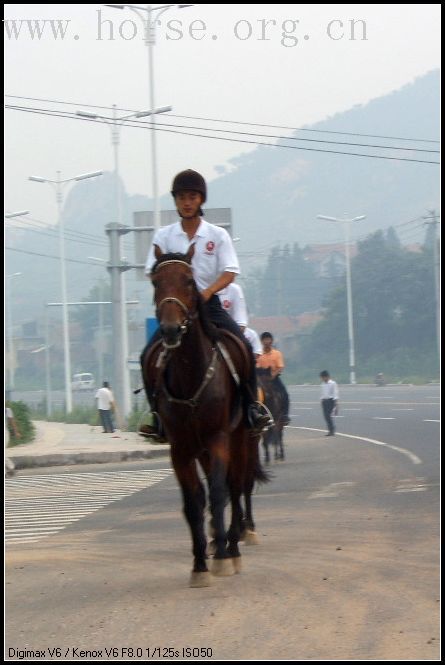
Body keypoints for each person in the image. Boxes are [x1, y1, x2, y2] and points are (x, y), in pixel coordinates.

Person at [141, 168, 273, 439]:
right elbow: (151, 271)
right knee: (147, 356)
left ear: (201, 200)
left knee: (243, 349)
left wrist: (208, 291)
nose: (186, 202)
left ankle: (252, 408)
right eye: (181, 197)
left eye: (191, 196)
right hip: (177, 308)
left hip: (209, 305)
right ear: (175, 202)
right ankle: (157, 416)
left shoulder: (217, 235)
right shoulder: (163, 236)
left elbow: (230, 271)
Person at [256, 332, 291, 426]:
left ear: (271, 341)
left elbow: (280, 367)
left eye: (268, 339)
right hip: (261, 379)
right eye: (264, 340)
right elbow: (257, 367)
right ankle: (256, 414)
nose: (267, 341)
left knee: (285, 393)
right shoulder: (259, 354)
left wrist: (272, 375)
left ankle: (285, 415)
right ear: (261, 341)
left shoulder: (277, 353)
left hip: (274, 378)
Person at [319, 370, 339, 436]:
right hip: (324, 401)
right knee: (326, 416)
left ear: (327, 376)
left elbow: (335, 393)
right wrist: (321, 401)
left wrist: (336, 405)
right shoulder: (322, 384)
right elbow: (322, 393)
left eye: (323, 377)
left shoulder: (333, 383)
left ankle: (332, 430)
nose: (322, 379)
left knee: (328, 415)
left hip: (331, 401)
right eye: (321, 377)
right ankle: (330, 430)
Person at [5, 403, 20, 477]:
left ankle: (10, 469)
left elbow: (12, 422)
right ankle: (11, 468)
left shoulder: (7, 410)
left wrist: (16, 432)